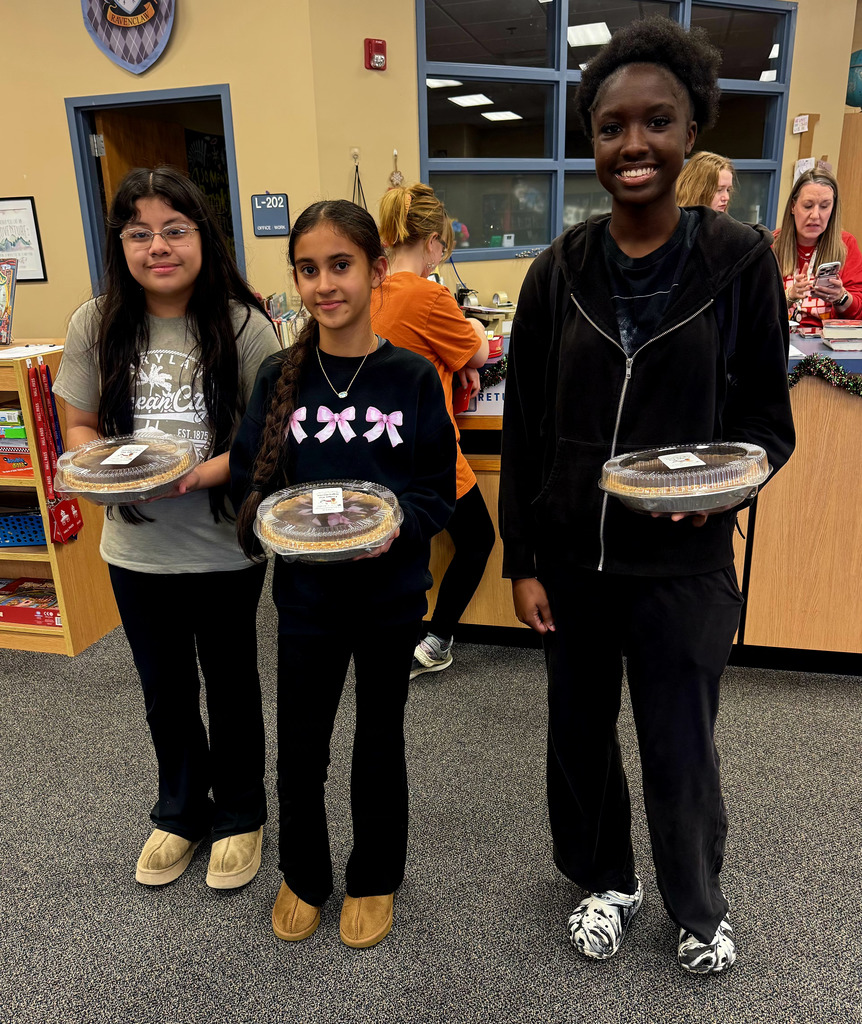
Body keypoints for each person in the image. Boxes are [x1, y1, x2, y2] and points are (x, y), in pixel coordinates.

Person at [499, 17, 795, 974]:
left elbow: (766, 422)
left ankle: (697, 903)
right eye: (611, 126)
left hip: (684, 562)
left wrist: (730, 489)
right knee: (580, 739)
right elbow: (530, 434)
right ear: (591, 137)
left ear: (691, 128)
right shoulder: (558, 272)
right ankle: (604, 881)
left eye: (656, 122)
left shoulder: (740, 261)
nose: (633, 145)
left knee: (680, 744)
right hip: (577, 561)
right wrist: (523, 560)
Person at [231, 200, 456, 949]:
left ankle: (374, 877)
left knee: (378, 741)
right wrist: (269, 519)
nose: (325, 284)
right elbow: (247, 481)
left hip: (389, 597)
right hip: (306, 601)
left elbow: (434, 493)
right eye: (308, 269)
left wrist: (392, 528)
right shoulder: (279, 375)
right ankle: (304, 874)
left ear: (375, 270)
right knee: (300, 744)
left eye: (341, 265)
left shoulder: (412, 378)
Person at [53, 167, 280, 889]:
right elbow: (80, 423)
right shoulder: (96, 323)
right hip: (135, 548)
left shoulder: (245, 326)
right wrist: (102, 470)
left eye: (175, 230)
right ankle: (180, 811)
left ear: (202, 237)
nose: (158, 246)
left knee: (233, 684)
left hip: (222, 547)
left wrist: (190, 476)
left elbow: (263, 439)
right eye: (140, 232)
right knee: (164, 690)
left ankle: (241, 813)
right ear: (120, 242)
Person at [372, 183, 495, 679]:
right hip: (431, 451)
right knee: (479, 539)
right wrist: (472, 345)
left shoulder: (372, 290)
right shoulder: (430, 296)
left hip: (383, 448)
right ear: (430, 242)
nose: (440, 256)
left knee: (399, 545)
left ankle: (393, 634)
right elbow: (482, 352)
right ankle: (437, 640)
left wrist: (455, 360)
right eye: (442, 247)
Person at [773, 166, 862, 329]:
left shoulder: (846, 244)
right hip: (782, 340)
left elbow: (858, 311)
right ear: (793, 207)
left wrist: (840, 297)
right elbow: (755, 308)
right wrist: (788, 297)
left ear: (833, 209)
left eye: (824, 206)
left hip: (827, 343)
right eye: (807, 206)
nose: (815, 215)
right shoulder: (772, 244)